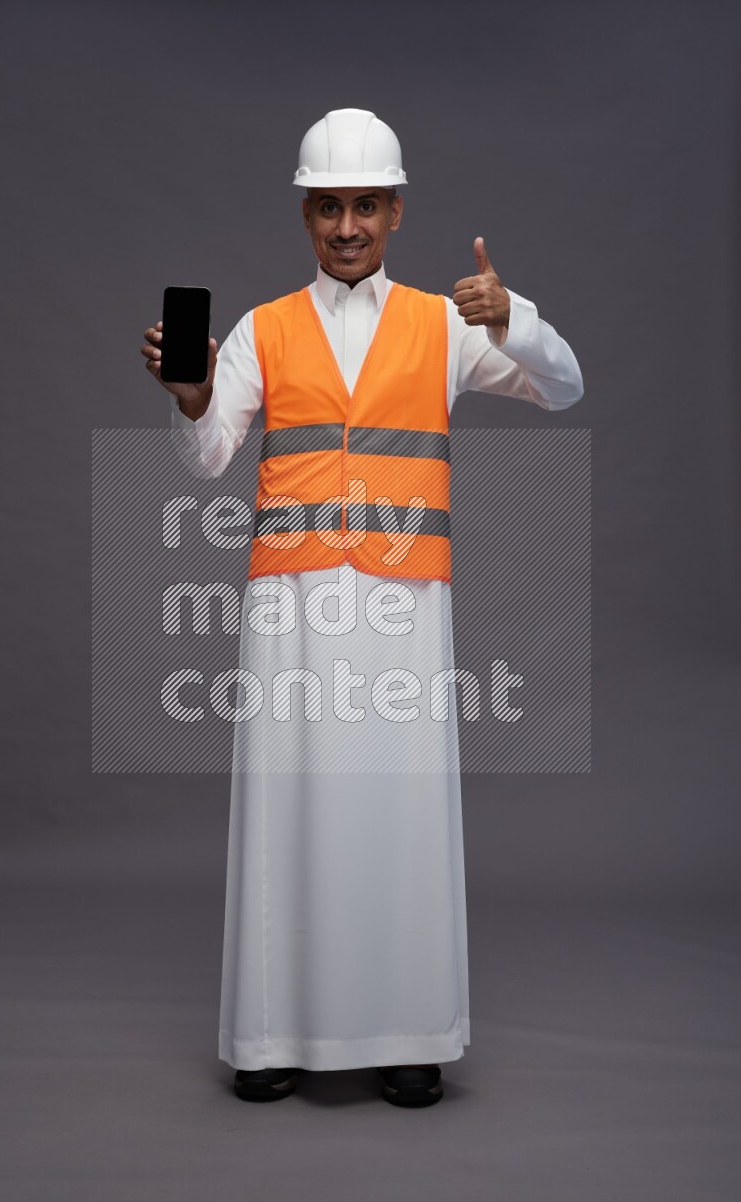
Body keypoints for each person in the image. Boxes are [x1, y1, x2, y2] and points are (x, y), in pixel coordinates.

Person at [141, 108, 583, 1108]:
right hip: (290, 604)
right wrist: (191, 395)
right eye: (328, 206)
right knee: (283, 805)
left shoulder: (444, 323)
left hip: (400, 609)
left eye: (365, 206)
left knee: (399, 809)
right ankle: (269, 1033)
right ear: (307, 215)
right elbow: (211, 457)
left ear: (394, 211)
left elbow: (562, 388)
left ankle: (407, 1030)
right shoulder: (260, 327)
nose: (346, 225)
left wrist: (512, 317)